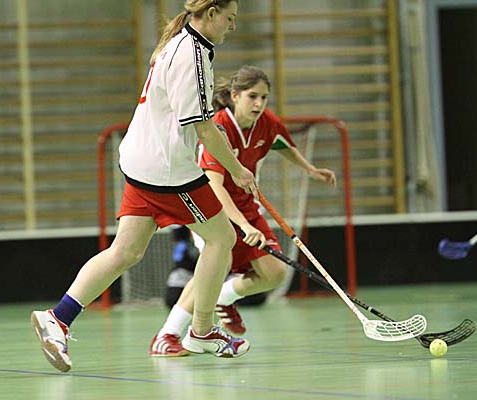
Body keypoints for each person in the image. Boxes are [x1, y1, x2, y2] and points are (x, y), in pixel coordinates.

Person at [31, 0, 257, 372]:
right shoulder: (192, 54)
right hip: (168, 172)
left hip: (140, 162)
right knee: (222, 239)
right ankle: (201, 330)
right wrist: (237, 171)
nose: (233, 26)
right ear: (212, 13)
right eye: (230, 18)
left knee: (126, 251)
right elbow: (202, 129)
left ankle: (58, 318)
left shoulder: (179, 42)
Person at [149, 65, 337, 357]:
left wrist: (310, 169)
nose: (259, 104)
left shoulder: (267, 122)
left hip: (246, 206)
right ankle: (167, 335)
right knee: (217, 265)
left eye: (264, 97)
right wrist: (243, 226)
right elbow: (215, 187)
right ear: (235, 96)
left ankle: (223, 298)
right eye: (252, 96)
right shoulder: (218, 129)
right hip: (209, 208)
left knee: (273, 273)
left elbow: (282, 144)